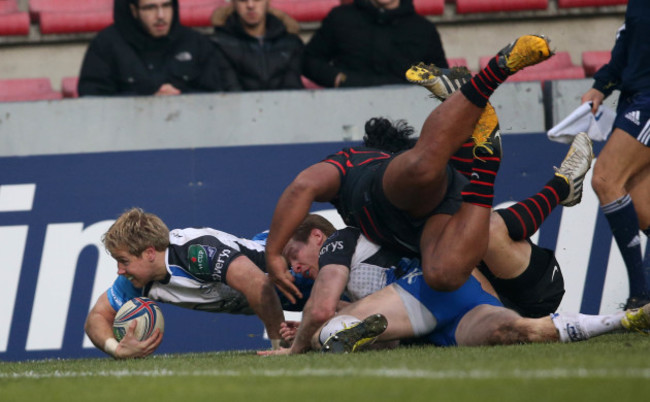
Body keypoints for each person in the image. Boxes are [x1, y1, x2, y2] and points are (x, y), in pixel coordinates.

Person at [265, 34, 557, 302]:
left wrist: (274, 251)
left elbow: (303, 185)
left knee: (421, 168)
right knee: (443, 275)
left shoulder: (353, 161)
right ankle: (486, 154)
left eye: (294, 255)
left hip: (404, 194)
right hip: (438, 218)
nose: (294, 266)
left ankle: (497, 68)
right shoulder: (350, 253)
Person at [259, 214, 650, 355]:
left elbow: (322, 308)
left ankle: (336, 336)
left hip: (427, 291)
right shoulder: (354, 288)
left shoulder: (340, 240)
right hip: (449, 314)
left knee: (322, 331)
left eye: (293, 256)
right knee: (515, 331)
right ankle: (626, 319)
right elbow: (391, 334)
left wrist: (301, 340)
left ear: (315, 237)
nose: (294, 268)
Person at [85, 208, 288, 359]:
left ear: (149, 253)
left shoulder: (194, 252)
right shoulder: (137, 281)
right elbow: (97, 317)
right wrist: (117, 349)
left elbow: (258, 282)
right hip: (289, 298)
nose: (120, 270)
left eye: (124, 261)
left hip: (298, 265)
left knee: (317, 338)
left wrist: (279, 344)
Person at [580, 0, 650, 310]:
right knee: (643, 209)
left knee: (606, 178)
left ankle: (640, 297)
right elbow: (626, 44)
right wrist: (600, 87)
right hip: (632, 98)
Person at [78, 0, 223, 96]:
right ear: (133, 10)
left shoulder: (196, 43)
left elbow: (218, 96)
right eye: (150, 8)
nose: (160, 15)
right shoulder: (106, 45)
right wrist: (146, 101)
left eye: (166, 6)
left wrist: (181, 98)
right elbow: (92, 98)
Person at [301, 0, 448, 88]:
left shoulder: (423, 28)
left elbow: (442, 79)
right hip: (349, 110)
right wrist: (336, 78)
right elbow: (308, 59)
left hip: (406, 117)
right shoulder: (340, 18)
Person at [210, 0, 304, 91]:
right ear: (233, 3)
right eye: (243, 0)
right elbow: (232, 92)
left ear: (268, 1)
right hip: (239, 105)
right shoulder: (220, 44)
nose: (250, 5)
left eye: (257, 0)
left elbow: (292, 89)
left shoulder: (290, 42)